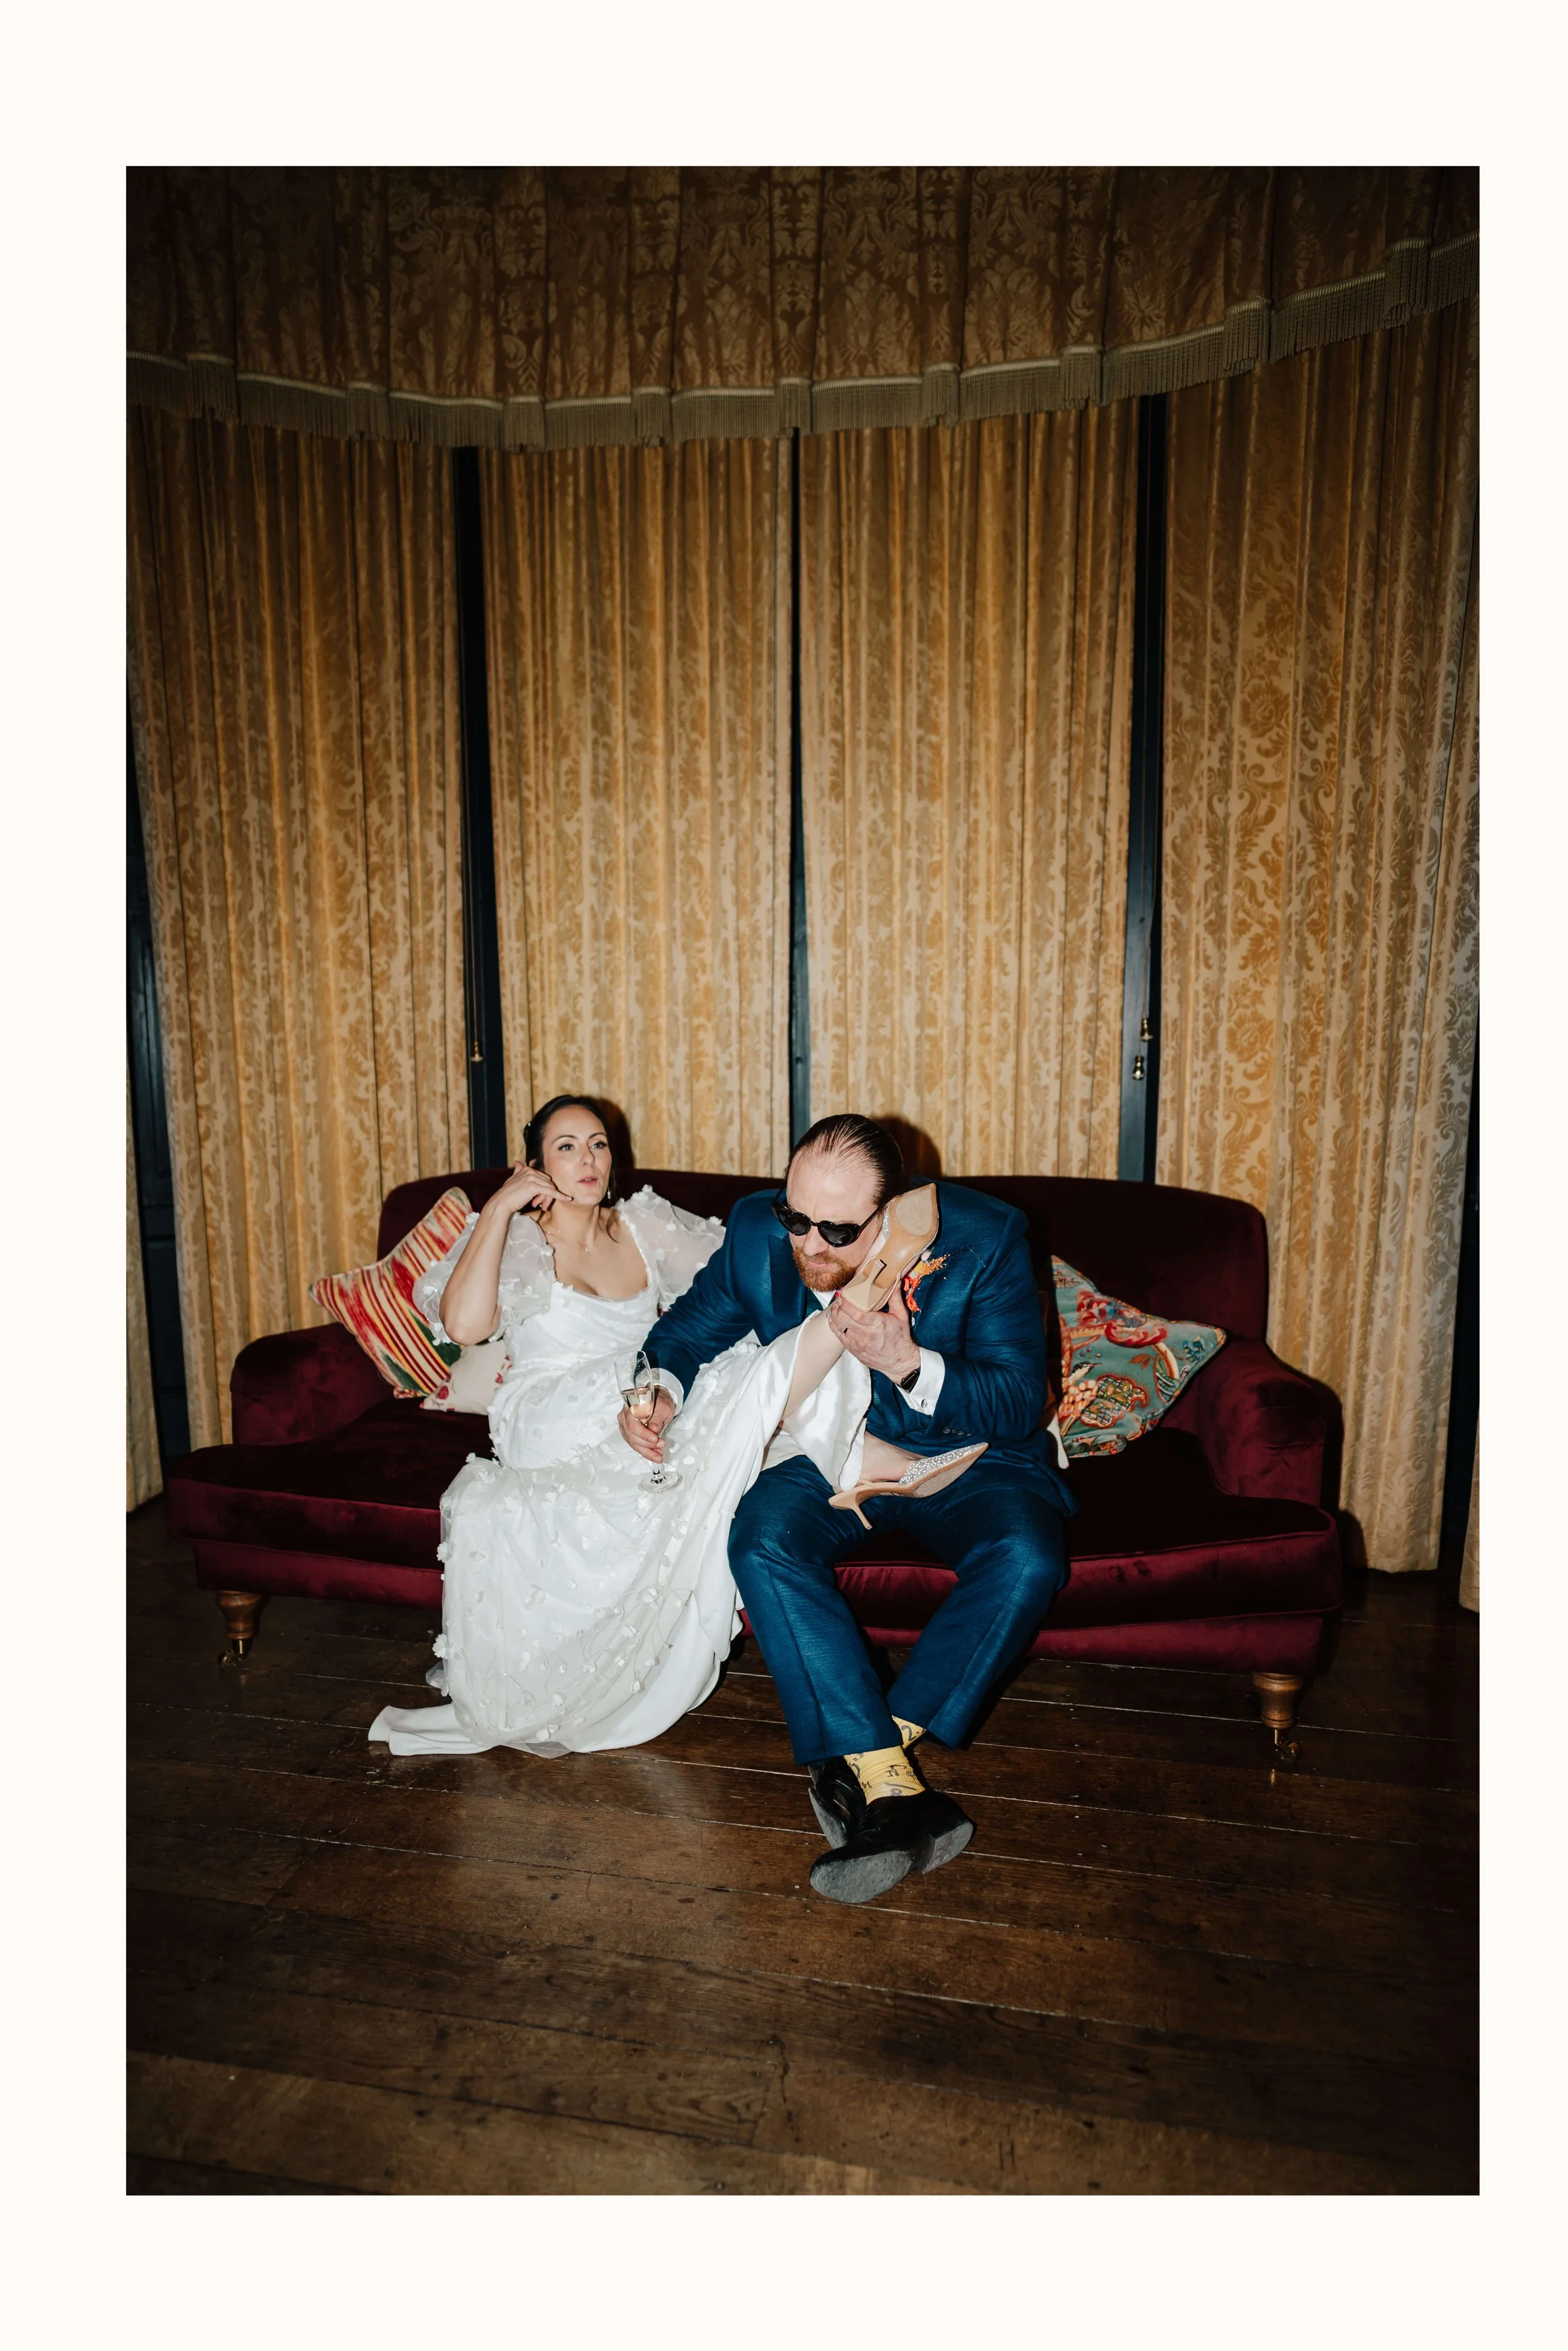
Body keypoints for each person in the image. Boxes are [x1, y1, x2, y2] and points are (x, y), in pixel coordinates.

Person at [620, 1113, 1076, 1906]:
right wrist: (653, 1389)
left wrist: (909, 1361)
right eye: (796, 1218)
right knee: (758, 1539)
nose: (809, 1246)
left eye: (836, 1228)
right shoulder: (756, 1235)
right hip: (833, 1455)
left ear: (892, 1207)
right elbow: (680, 1336)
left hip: (970, 1458)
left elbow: (1015, 1402)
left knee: (1030, 1556)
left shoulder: (989, 1238)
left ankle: (857, 1762)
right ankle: (893, 1787)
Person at [368, 1096, 891, 1762]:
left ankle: (837, 1447)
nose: (586, 1160)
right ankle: (857, 1453)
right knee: (725, 1373)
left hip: (633, 1398)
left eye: (598, 1144)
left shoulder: (643, 1225)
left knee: (727, 1360)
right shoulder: (522, 1238)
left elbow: (750, 1266)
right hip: (546, 1411)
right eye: (565, 1146)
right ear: (535, 1164)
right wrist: (497, 1210)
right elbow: (467, 1327)